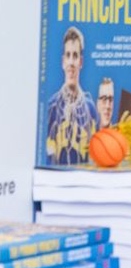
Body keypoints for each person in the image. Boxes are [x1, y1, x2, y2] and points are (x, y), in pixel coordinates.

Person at [46, 26, 99, 165]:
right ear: (63, 62)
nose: (71, 62)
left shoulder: (90, 108)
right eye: (68, 55)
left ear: (80, 62)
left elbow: (94, 156)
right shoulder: (52, 106)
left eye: (75, 56)